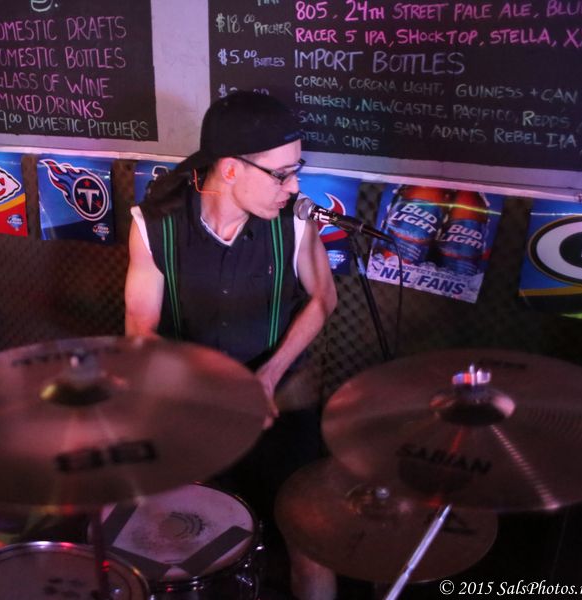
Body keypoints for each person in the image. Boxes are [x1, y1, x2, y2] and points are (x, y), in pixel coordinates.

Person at [124, 90, 337, 599]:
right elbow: (140, 331)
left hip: (280, 398)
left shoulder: (296, 220)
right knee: (180, 539)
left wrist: (270, 373)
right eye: (281, 174)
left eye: (297, 170)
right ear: (231, 169)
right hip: (190, 404)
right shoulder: (154, 225)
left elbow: (323, 299)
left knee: (313, 542)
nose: (295, 187)